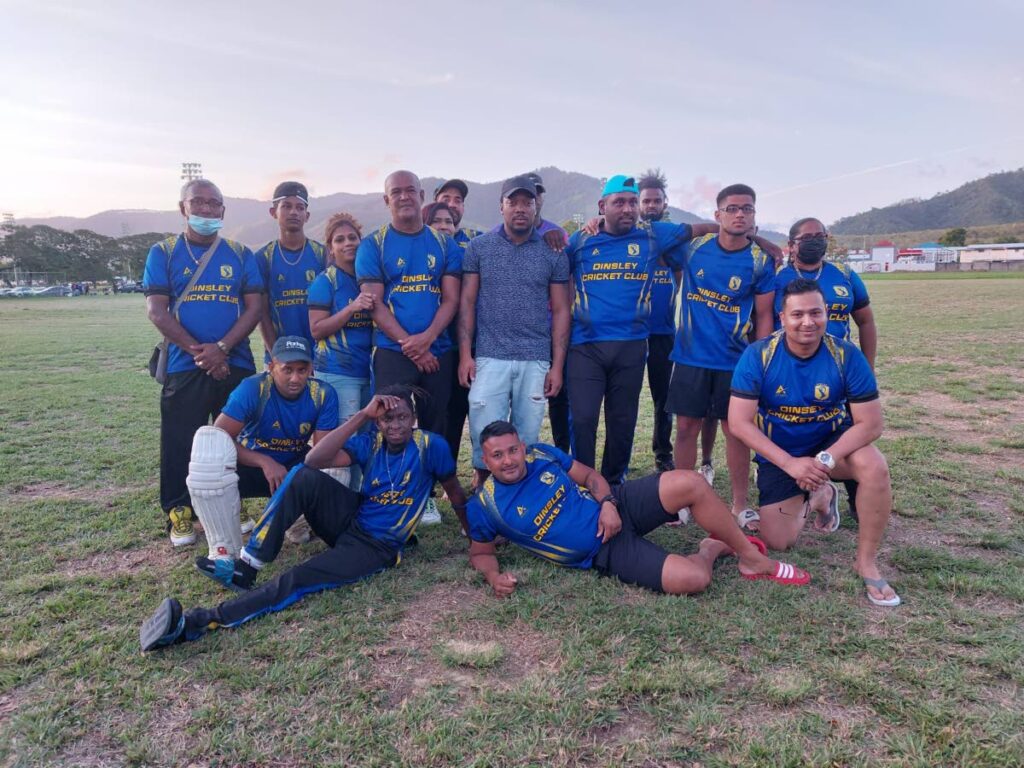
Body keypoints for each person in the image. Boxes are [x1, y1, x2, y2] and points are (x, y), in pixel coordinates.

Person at [139, 387, 471, 652]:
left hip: (376, 545)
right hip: (351, 517)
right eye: (387, 419)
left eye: (402, 417)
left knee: (297, 579)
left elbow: (454, 491)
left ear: (413, 418)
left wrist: (472, 533)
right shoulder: (370, 440)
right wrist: (362, 417)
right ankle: (248, 565)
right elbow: (315, 459)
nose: (395, 425)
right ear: (378, 422)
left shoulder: (431, 446)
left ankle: (199, 622)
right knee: (301, 475)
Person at [466, 421, 810, 598]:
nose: (508, 460)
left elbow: (589, 476)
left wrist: (608, 504)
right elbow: (480, 552)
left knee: (690, 481)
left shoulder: (541, 454)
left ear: (522, 447)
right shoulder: (485, 505)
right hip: (603, 550)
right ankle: (709, 548)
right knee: (695, 579)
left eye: (513, 450)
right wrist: (493, 576)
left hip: (618, 506)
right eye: (497, 455)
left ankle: (751, 557)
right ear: (485, 459)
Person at [728, 279, 900, 607]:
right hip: (783, 453)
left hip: (829, 445)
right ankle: (821, 495)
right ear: (782, 318)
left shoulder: (845, 355)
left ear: (827, 314)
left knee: (874, 465)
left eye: (816, 313)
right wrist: (790, 463)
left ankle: (866, 562)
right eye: (798, 315)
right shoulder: (758, 355)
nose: (808, 322)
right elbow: (738, 422)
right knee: (778, 541)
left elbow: (871, 423)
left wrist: (826, 459)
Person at [565, 175, 716, 487]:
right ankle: (583, 484)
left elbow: (707, 228)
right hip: (585, 346)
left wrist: (759, 239)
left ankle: (613, 483)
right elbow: (555, 271)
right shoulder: (580, 240)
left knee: (622, 421)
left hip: (632, 345)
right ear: (602, 206)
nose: (628, 208)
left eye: (632, 202)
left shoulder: (653, 234)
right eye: (619, 202)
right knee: (582, 419)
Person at [143, 178, 264, 546]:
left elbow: (255, 307)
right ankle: (179, 512)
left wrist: (223, 348)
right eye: (199, 203)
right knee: (181, 439)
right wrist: (203, 352)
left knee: (236, 436)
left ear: (223, 211)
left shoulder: (240, 254)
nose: (207, 210)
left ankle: (238, 503)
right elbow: (157, 312)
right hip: (185, 365)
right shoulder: (162, 253)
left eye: (214, 204)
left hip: (236, 362)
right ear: (184, 208)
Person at [356, 171, 463, 523]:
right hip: (392, 349)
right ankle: (391, 491)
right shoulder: (373, 244)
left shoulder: (444, 244)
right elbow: (374, 302)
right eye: (395, 192)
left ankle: (428, 494)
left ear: (421, 195)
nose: (403, 197)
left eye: (409, 191)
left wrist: (428, 339)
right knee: (390, 420)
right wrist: (410, 344)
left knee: (435, 421)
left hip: (439, 349)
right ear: (386, 200)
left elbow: (451, 300)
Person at [667, 183, 776, 526]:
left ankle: (739, 505)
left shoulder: (760, 261)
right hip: (689, 355)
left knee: (737, 430)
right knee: (685, 428)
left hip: (735, 361)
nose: (740, 214)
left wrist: (759, 361)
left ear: (755, 215)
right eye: (732, 208)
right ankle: (679, 501)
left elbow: (763, 316)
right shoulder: (694, 247)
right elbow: (658, 235)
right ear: (718, 214)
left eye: (747, 209)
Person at [458, 175, 571, 488]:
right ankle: (483, 494)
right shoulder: (479, 248)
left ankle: (519, 499)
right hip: (489, 356)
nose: (521, 208)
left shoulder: (553, 252)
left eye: (528, 202)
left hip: (535, 358)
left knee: (526, 435)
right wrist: (466, 355)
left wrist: (557, 365)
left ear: (536, 208)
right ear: (501, 207)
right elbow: (467, 304)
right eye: (513, 202)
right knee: (484, 429)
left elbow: (562, 310)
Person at [186, 336, 339, 564]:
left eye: (302, 369)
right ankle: (224, 553)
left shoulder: (323, 394)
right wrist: (264, 462)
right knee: (208, 453)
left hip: (291, 469)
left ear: (311, 369)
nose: (295, 378)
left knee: (338, 462)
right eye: (287, 370)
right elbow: (218, 440)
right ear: (271, 367)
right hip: (249, 465)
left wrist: (300, 479)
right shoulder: (253, 388)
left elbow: (322, 453)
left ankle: (298, 516)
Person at [773, 217, 878, 521]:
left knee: (851, 435)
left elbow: (866, 321)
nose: (815, 241)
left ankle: (858, 501)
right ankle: (804, 490)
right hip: (792, 371)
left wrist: (867, 368)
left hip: (839, 372)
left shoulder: (844, 274)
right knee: (790, 431)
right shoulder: (779, 278)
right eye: (807, 237)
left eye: (820, 235)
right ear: (792, 244)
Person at [308, 213, 374, 425]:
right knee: (344, 440)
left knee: (367, 438)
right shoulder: (325, 282)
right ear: (330, 248)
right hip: (337, 372)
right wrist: (352, 308)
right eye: (340, 239)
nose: (348, 243)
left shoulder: (370, 278)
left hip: (369, 372)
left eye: (352, 238)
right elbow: (316, 330)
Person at [255, 181, 327, 360]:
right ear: (274, 212)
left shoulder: (322, 254)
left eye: (300, 207)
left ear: (307, 215)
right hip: (278, 356)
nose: (294, 212)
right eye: (286, 206)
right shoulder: (263, 257)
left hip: (320, 356)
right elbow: (261, 313)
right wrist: (275, 357)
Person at [637, 169, 677, 473]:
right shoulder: (627, 235)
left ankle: (663, 454)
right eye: (646, 200)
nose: (651, 205)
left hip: (664, 333)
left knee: (664, 399)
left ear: (665, 203)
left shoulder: (676, 238)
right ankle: (618, 455)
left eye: (656, 200)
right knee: (622, 401)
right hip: (631, 333)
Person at [433, 179, 481, 246]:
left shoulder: (477, 239)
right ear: (434, 205)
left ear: (463, 207)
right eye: (446, 200)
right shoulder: (423, 237)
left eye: (457, 201)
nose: (452, 205)